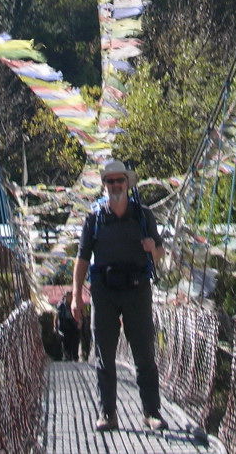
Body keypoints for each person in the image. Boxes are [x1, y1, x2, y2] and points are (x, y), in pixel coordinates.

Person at [71, 158, 166, 432]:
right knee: (104, 355)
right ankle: (107, 413)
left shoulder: (143, 215)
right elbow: (81, 259)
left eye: (119, 181)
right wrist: (77, 296)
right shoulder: (94, 218)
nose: (115, 185)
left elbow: (160, 253)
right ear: (104, 185)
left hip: (137, 289)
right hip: (104, 291)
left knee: (144, 353)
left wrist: (152, 248)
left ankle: (152, 412)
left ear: (127, 183)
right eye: (110, 181)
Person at [56, 289, 81, 360]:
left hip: (73, 325)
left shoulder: (74, 303)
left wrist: (80, 322)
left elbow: (79, 314)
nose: (70, 297)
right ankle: (67, 357)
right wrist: (56, 326)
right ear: (65, 296)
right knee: (66, 342)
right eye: (68, 296)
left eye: (71, 296)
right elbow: (57, 315)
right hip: (64, 325)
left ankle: (75, 357)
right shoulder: (61, 305)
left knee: (75, 341)